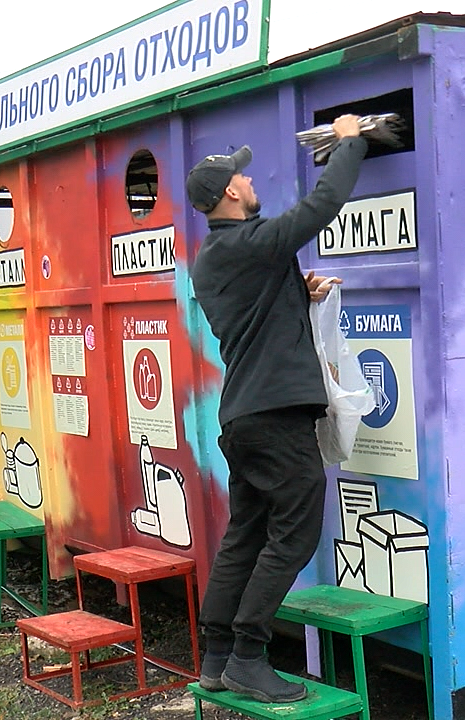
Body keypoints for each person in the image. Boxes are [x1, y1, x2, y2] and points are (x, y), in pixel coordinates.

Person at [185, 114, 368, 703]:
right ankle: (247, 655)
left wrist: (297, 290)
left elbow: (258, 313)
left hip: (245, 417)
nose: (249, 177)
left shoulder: (221, 254)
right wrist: (349, 141)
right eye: (242, 175)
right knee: (295, 531)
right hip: (274, 418)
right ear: (231, 193)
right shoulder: (247, 242)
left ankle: (216, 655)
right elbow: (321, 206)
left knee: (247, 531)